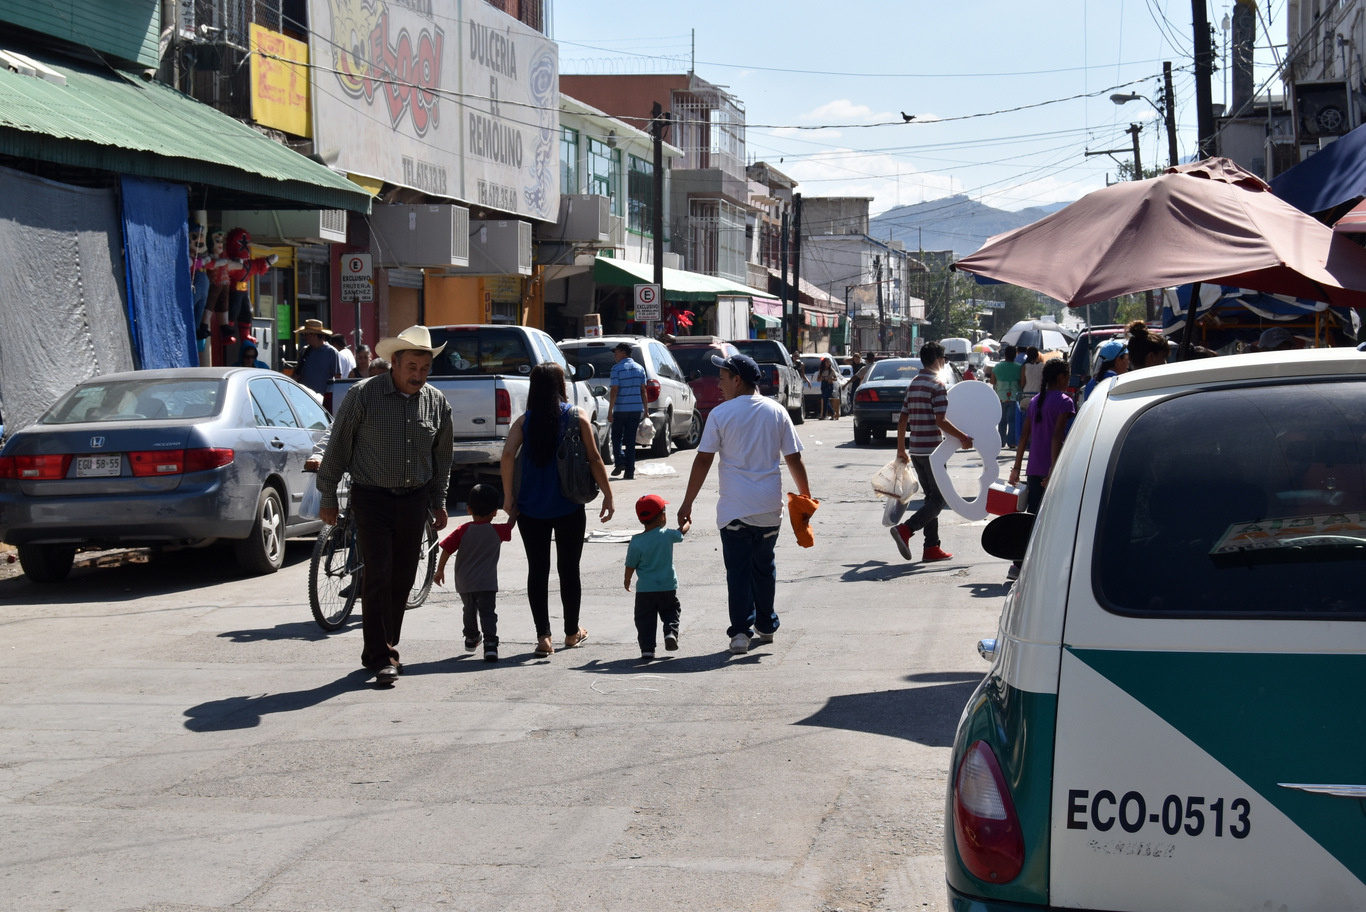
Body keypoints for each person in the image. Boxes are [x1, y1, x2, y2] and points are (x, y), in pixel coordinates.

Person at [316, 325, 454, 687]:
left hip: (415, 500)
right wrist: (328, 497)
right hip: (372, 497)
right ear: (394, 362)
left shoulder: (437, 402)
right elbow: (338, 449)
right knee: (377, 572)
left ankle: (379, 647)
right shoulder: (363, 396)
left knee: (403, 577)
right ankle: (383, 656)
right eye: (411, 367)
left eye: (424, 369)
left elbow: (442, 459)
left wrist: (439, 502)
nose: (418, 376)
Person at [677, 353, 812, 655]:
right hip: (768, 508)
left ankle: (740, 632)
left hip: (734, 511)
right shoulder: (777, 411)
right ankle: (765, 624)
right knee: (764, 566)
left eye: (723, 378)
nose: (719, 384)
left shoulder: (721, 414)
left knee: (738, 572)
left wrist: (687, 503)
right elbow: (794, 458)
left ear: (737, 380)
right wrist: (806, 499)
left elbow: (703, 459)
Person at [501, 363, 615, 658]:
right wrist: (608, 494)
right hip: (569, 505)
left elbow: (507, 455)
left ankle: (543, 638)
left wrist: (508, 497)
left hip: (530, 507)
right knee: (569, 569)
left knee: (537, 570)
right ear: (561, 386)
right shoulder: (577, 416)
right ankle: (571, 632)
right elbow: (594, 458)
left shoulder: (524, 421)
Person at [889, 340, 973, 564]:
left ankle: (931, 547)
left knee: (931, 498)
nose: (944, 363)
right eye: (944, 359)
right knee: (939, 499)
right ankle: (906, 530)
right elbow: (941, 420)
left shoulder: (914, 383)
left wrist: (901, 450)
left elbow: (903, 419)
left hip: (916, 450)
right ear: (938, 360)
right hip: (934, 453)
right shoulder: (937, 384)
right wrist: (963, 437)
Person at [1007, 358, 1076, 579]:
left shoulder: (1036, 401)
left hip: (1034, 468)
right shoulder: (1065, 402)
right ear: (1061, 377)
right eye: (1068, 376)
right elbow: (1057, 435)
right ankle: (1042, 564)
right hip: (1052, 470)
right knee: (1054, 518)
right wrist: (1054, 468)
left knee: (1033, 516)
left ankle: (1018, 564)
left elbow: (1024, 436)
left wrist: (1016, 468)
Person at [435, 483, 515, 663]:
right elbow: (510, 525)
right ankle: (490, 646)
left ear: (469, 509)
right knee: (488, 613)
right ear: (495, 511)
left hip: (465, 582)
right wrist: (514, 510)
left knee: (469, 611)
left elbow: (446, 549)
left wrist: (439, 570)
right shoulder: (497, 531)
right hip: (487, 583)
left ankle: (471, 638)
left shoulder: (463, 530)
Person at [624, 494, 690, 660]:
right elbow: (681, 532)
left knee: (644, 618)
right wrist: (687, 522)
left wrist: (627, 579)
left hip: (645, 589)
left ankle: (647, 649)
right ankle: (670, 633)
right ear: (663, 515)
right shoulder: (667, 535)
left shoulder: (637, 541)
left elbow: (630, 563)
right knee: (671, 611)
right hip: (667, 585)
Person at [608, 341, 648, 480]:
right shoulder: (640, 368)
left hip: (620, 409)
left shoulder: (616, 369)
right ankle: (629, 472)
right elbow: (643, 391)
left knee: (616, 437)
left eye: (616, 352)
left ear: (623, 353)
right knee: (630, 440)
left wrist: (610, 411)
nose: (615, 355)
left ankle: (620, 461)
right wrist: (646, 410)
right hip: (636, 409)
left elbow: (614, 390)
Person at [294, 319, 342, 396]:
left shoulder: (331, 352)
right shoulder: (304, 351)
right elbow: (297, 374)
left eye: (306, 334)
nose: (304, 337)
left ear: (314, 335)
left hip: (322, 399)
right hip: (303, 397)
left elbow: (337, 378)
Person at [990, 344, 1022, 448]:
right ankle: (1011, 442)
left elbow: (992, 381)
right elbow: (1022, 383)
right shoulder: (1019, 367)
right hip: (1014, 397)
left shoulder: (998, 367)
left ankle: (1001, 441)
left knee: (1002, 421)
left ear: (1005, 354)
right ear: (1015, 355)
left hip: (1000, 397)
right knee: (1012, 421)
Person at [1016, 347, 1044, 444]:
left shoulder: (1024, 367)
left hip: (1026, 396)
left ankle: (1027, 438)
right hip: (1040, 396)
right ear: (1037, 355)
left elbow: (1023, 383)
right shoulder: (1042, 366)